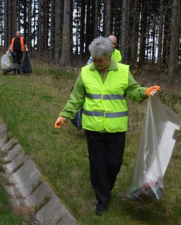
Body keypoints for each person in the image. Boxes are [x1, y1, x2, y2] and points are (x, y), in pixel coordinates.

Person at [54, 37, 161, 216]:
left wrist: (145, 91)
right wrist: (64, 115)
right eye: (94, 60)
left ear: (109, 57)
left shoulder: (123, 71)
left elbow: (133, 91)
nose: (96, 63)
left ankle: (105, 189)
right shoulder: (86, 72)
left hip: (116, 129)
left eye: (100, 60)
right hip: (93, 128)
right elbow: (76, 98)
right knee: (97, 165)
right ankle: (102, 199)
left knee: (114, 163)